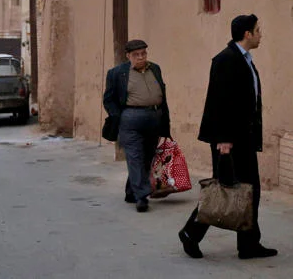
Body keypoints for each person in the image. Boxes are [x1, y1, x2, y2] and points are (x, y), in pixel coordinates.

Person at [178, 14, 277, 260]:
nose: (261, 34)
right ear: (247, 34)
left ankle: (248, 244)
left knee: (246, 189)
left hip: (243, 137)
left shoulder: (243, 60)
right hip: (229, 140)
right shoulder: (226, 60)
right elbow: (218, 101)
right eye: (258, 30)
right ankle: (192, 232)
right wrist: (223, 140)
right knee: (225, 189)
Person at [102, 39, 171, 213]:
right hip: (130, 119)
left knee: (147, 157)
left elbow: (163, 94)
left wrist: (164, 120)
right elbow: (108, 99)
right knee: (134, 156)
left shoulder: (155, 68)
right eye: (136, 55)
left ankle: (131, 191)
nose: (141, 58)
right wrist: (119, 115)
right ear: (128, 56)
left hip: (154, 117)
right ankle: (142, 196)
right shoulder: (117, 73)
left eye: (143, 54)